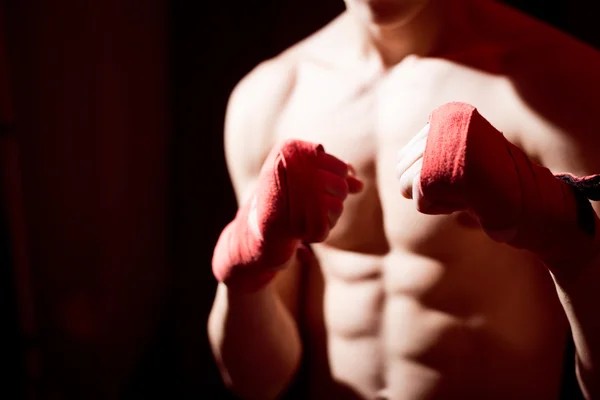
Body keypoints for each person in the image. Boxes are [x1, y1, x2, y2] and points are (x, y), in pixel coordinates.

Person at [207, 0, 600, 398]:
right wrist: (246, 262)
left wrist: (564, 237)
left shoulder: (565, 83)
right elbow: (255, 383)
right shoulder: (270, 97)